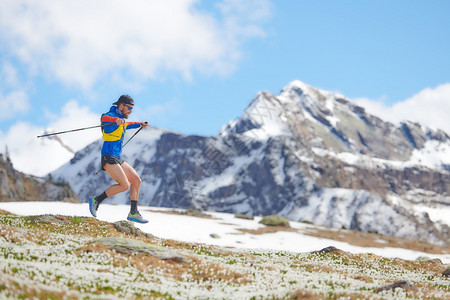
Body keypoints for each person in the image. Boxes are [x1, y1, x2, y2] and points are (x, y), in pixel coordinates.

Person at [89, 95, 149, 223]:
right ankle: (96, 200)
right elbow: (104, 117)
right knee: (124, 185)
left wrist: (139, 124)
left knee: (136, 180)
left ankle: (133, 212)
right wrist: (115, 120)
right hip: (108, 156)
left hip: (117, 158)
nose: (130, 111)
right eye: (129, 107)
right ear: (121, 106)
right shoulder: (110, 116)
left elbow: (128, 125)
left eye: (132, 108)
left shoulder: (122, 120)